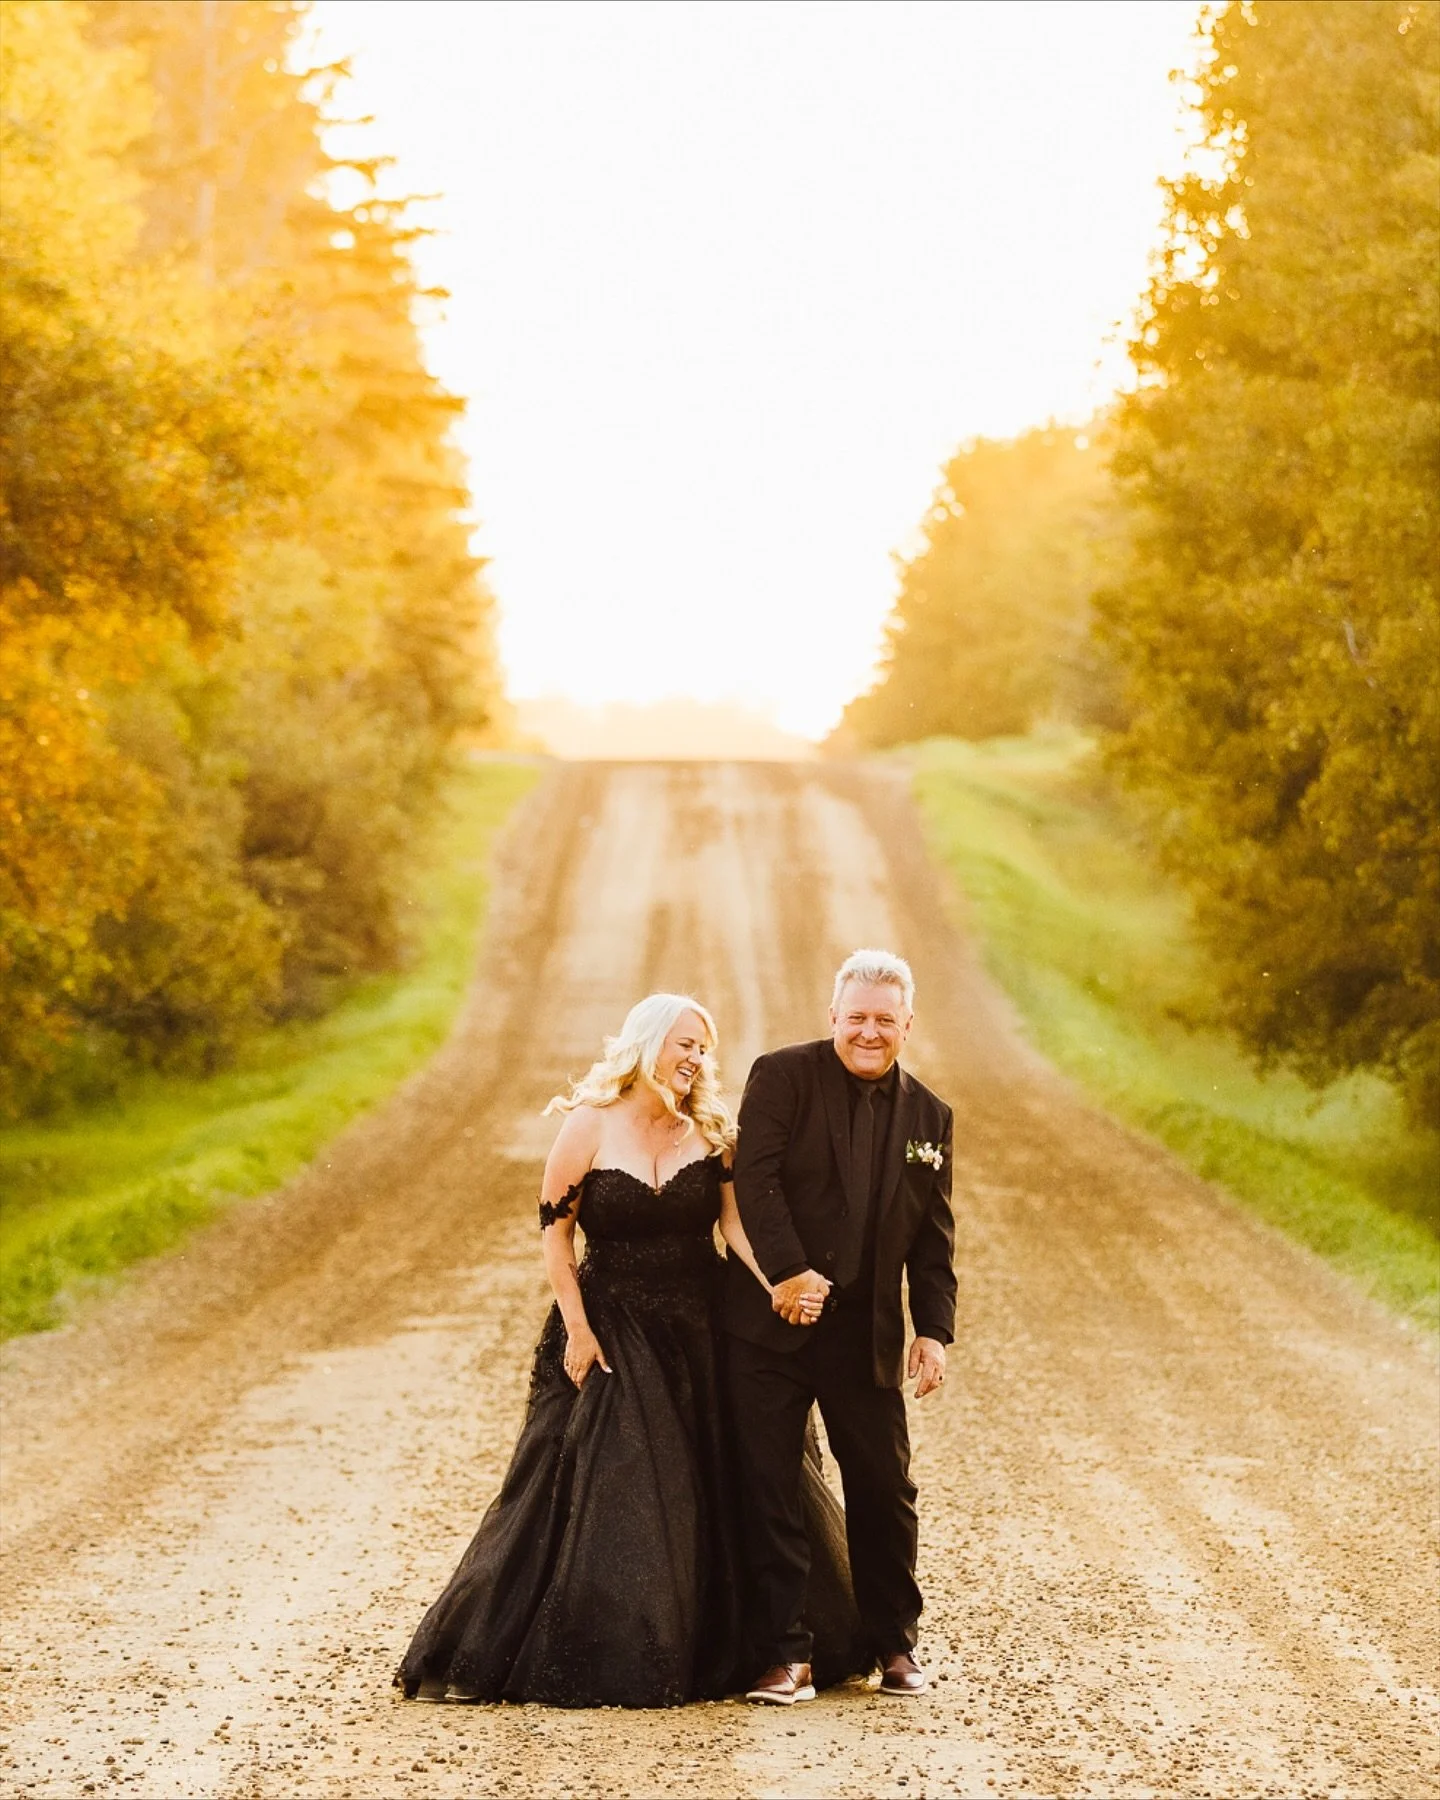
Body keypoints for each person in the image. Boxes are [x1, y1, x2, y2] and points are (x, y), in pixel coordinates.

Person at [395, 993, 867, 1708]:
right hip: (612, 1324)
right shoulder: (588, 1126)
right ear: (648, 1045)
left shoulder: (711, 1130)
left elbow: (737, 1230)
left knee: (724, 1483)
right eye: (684, 1045)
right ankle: (603, 1645)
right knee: (617, 1489)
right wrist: (578, 1329)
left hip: (703, 1325)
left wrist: (782, 1282)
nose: (696, 1060)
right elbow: (556, 1233)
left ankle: (738, 1646)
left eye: (703, 1049)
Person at [723, 949, 956, 1704]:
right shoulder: (781, 1077)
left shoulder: (930, 1117)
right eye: (856, 1017)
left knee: (885, 1489)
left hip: (867, 1336)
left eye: (884, 1020)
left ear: (907, 1025)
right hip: (773, 1326)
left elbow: (932, 1237)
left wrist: (934, 1331)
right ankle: (787, 1655)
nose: (868, 1031)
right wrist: (788, 1274)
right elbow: (754, 1181)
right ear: (833, 1018)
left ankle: (895, 1645)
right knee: (770, 1488)